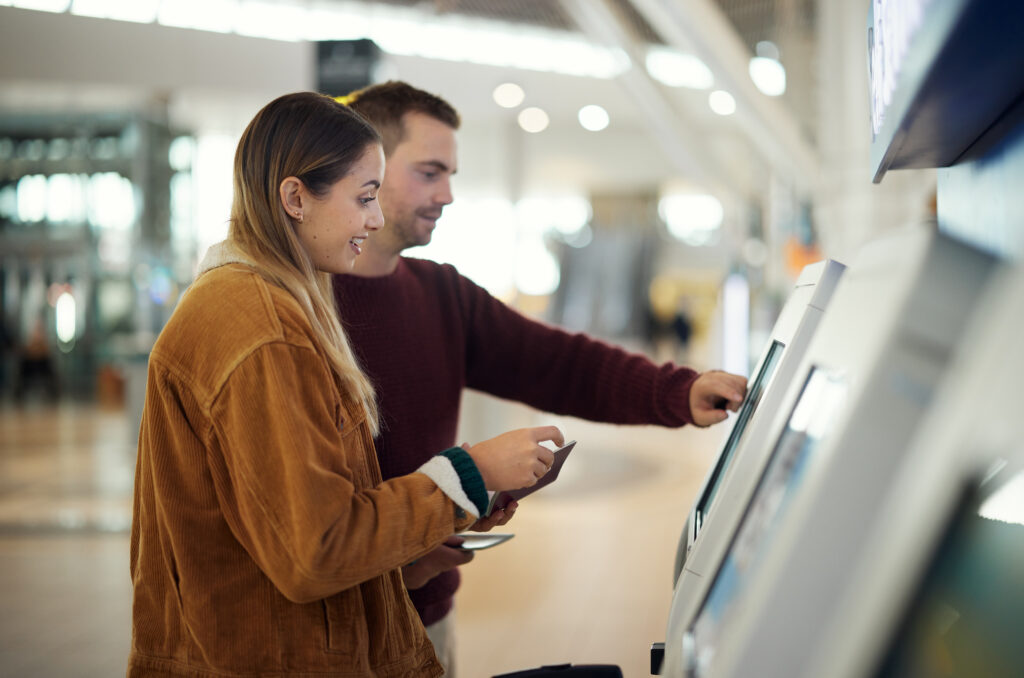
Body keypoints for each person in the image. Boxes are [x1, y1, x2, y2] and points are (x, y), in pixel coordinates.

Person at [128, 91, 564, 678]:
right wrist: (471, 471)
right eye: (364, 198)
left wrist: (417, 551)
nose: (376, 218)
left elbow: (276, 539)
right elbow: (315, 552)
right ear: (295, 197)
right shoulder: (261, 329)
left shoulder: (268, 304)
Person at [332, 81, 748, 674]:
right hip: (333, 629)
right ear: (367, 166)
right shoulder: (299, 312)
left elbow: (561, 363)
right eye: (429, 172)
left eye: (451, 173)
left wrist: (677, 390)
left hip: (428, 618)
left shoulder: (441, 294)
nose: (447, 193)